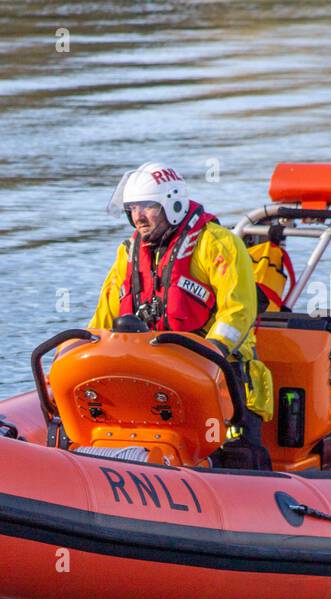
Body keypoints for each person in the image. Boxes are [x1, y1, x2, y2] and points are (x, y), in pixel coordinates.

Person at [90, 162, 275, 468]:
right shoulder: (128, 253)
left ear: (172, 204)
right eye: (132, 207)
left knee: (236, 456)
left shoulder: (217, 243)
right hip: (152, 383)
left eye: (147, 207)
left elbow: (238, 311)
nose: (137, 217)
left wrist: (209, 354)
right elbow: (102, 318)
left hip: (222, 386)